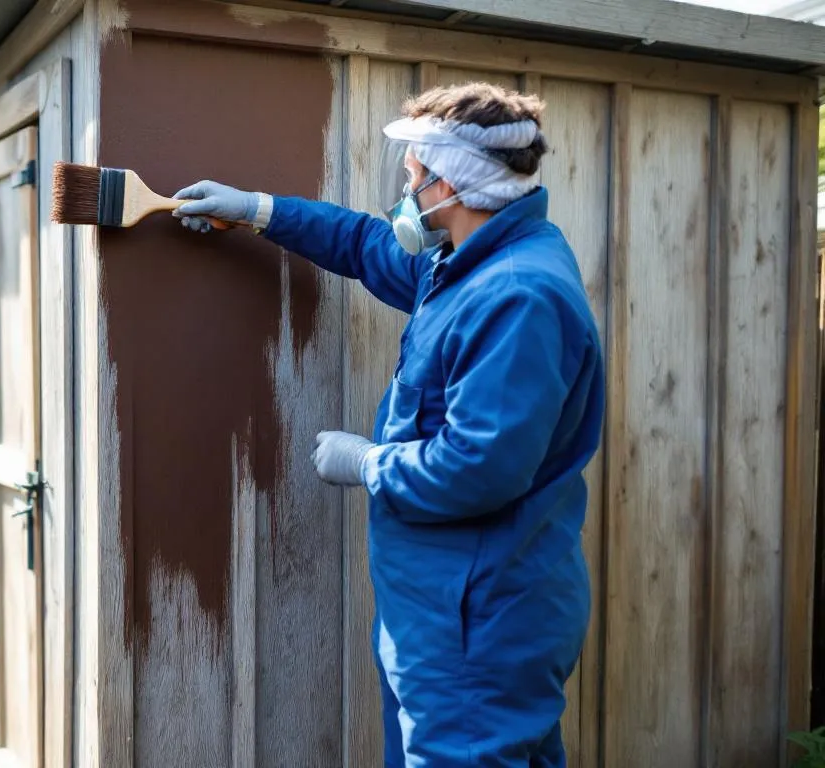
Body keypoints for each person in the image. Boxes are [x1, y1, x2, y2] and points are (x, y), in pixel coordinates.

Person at [172, 83, 605, 767]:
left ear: (450, 185)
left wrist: (366, 462)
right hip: (447, 608)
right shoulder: (469, 263)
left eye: (411, 178)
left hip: (477, 618)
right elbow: (369, 246)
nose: (403, 192)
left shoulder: (517, 296)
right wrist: (259, 211)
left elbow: (478, 468)